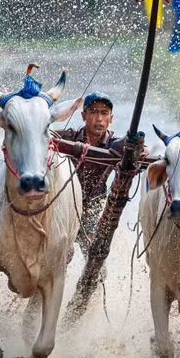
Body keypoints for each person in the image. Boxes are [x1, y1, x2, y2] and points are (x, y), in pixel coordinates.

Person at [55, 92, 124, 254]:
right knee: (65, 253)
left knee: (94, 255)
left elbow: (138, 154)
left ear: (111, 118)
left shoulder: (115, 145)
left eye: (104, 113)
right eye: (93, 111)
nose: (99, 118)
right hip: (64, 206)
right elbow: (44, 137)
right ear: (83, 115)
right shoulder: (69, 137)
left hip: (92, 209)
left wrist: (136, 150)